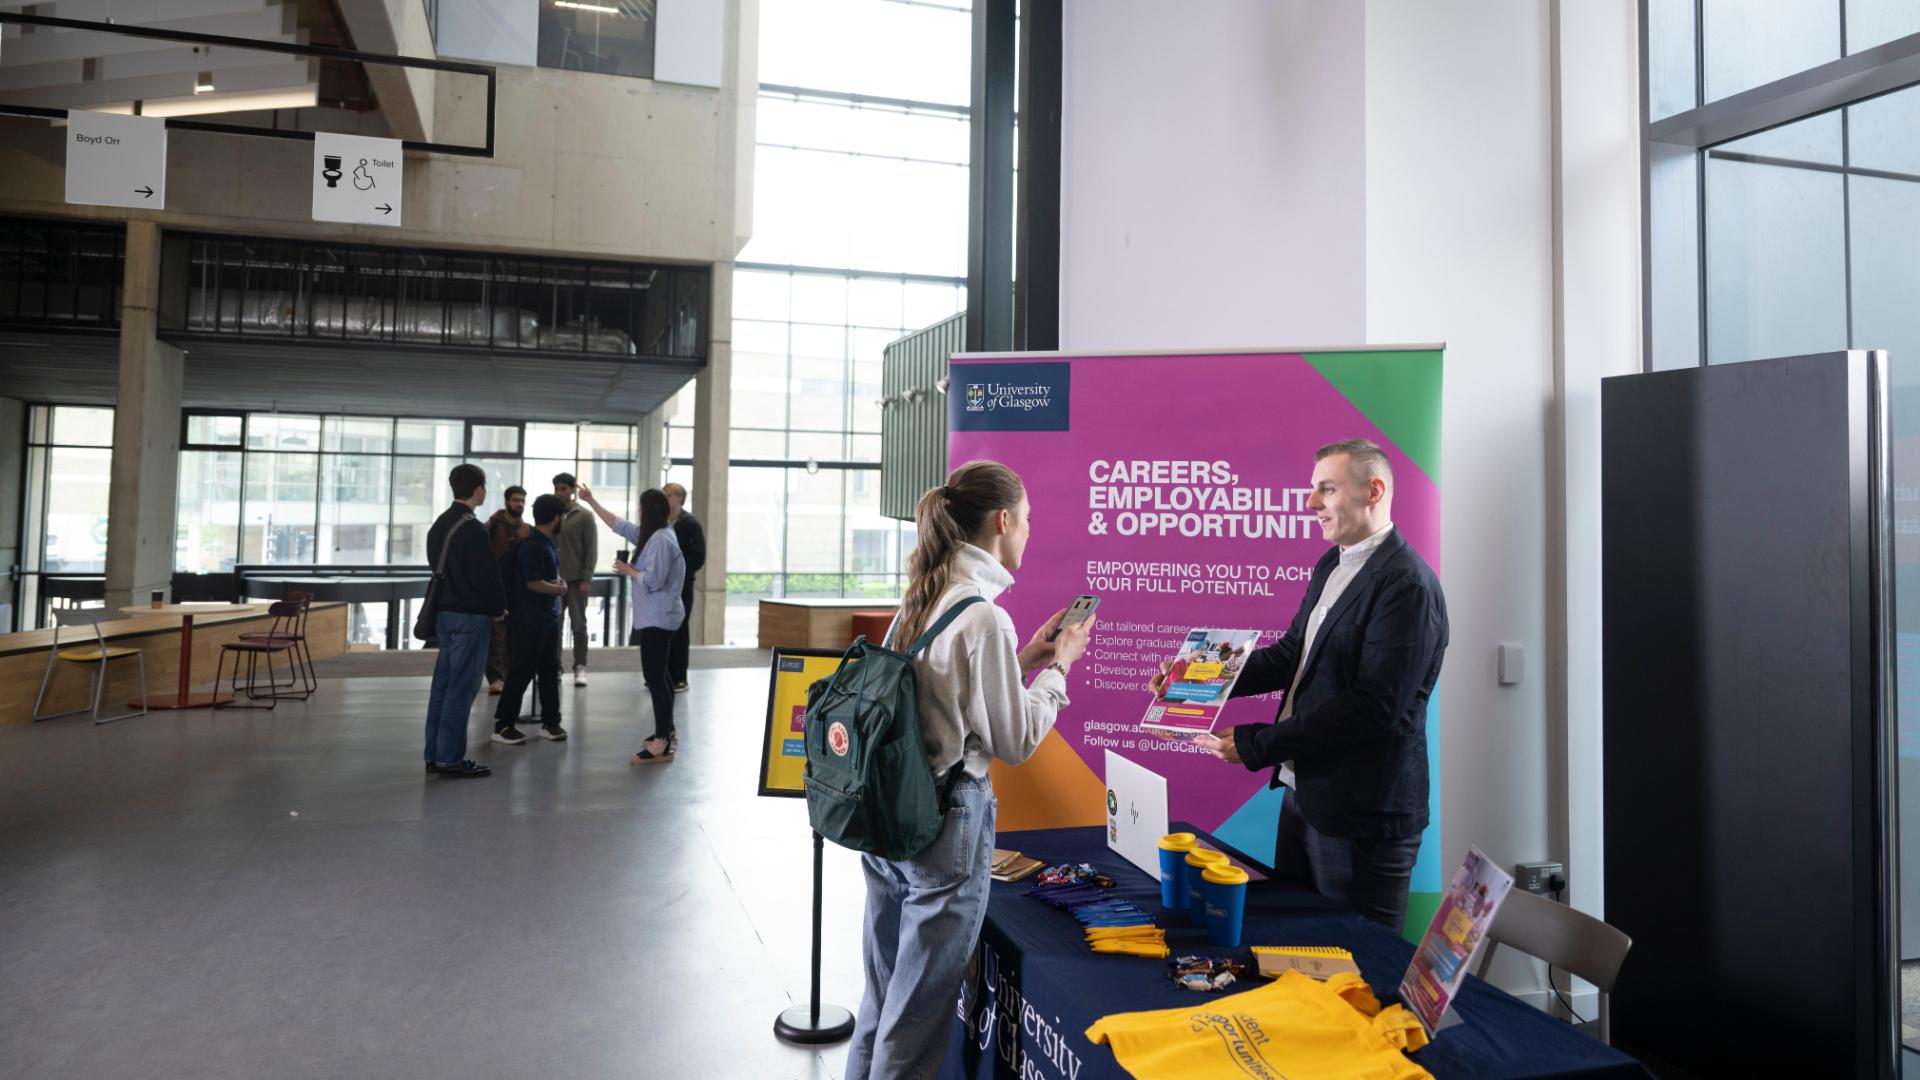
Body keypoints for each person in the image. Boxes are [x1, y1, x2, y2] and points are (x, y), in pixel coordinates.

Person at [844, 460, 1093, 1080]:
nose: (1031, 531)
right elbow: (1014, 740)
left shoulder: (924, 594)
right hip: (945, 822)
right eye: (1028, 519)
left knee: (881, 1002)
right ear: (1003, 521)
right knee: (917, 1016)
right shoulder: (982, 615)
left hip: (888, 815)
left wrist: (1021, 659)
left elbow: (937, 693)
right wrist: (1059, 669)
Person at [1157, 438, 1448, 931]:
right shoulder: (1333, 564)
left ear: (1373, 490)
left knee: (1358, 969)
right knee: (1297, 948)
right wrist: (1191, 681)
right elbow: (1292, 656)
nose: (1311, 503)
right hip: (1305, 795)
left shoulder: (1407, 586)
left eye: (1326, 490)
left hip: (1362, 816)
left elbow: (1372, 707)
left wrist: (1258, 744)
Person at [577, 484, 684, 763]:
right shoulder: (654, 535)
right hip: (657, 616)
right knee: (661, 676)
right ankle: (667, 730)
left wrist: (629, 570)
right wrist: (592, 501)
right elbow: (619, 525)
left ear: (647, 511)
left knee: (655, 678)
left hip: (658, 618)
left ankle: (662, 741)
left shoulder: (661, 540)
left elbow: (654, 580)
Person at [423, 463, 510, 779]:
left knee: (443, 687)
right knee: (461, 689)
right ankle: (450, 759)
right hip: (470, 617)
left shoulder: (441, 524)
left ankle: (434, 754)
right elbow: (486, 576)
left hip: (445, 614)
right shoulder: (471, 528)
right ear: (478, 490)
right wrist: (498, 608)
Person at [492, 494, 571, 746]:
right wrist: (558, 589)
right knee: (521, 672)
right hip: (529, 620)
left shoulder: (545, 543)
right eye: (562, 517)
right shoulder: (533, 546)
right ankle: (503, 725)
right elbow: (533, 583)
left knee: (549, 670)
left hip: (546, 619)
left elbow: (543, 580)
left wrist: (556, 585)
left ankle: (551, 722)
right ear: (556, 518)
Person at [551, 472, 598, 687]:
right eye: (557, 488)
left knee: (579, 626)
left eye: (563, 488)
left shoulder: (584, 516)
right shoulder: (551, 514)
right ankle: (555, 667)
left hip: (576, 580)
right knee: (555, 626)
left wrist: (587, 578)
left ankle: (581, 666)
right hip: (553, 581)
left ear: (572, 490)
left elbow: (591, 549)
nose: (560, 492)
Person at [484, 485, 530, 694]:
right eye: (515, 500)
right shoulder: (492, 526)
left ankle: (509, 676)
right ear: (506, 502)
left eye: (522, 500)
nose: (519, 504)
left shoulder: (526, 530)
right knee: (497, 636)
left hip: (519, 591)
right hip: (496, 589)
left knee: (515, 636)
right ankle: (496, 677)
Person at [662, 481, 706, 694]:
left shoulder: (690, 524)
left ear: (680, 498)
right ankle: (661, 673)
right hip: (661, 587)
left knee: (679, 630)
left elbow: (698, 558)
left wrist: (677, 572)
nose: (666, 498)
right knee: (661, 629)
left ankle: (679, 676)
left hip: (682, 586)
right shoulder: (659, 522)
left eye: (669, 494)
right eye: (664, 494)